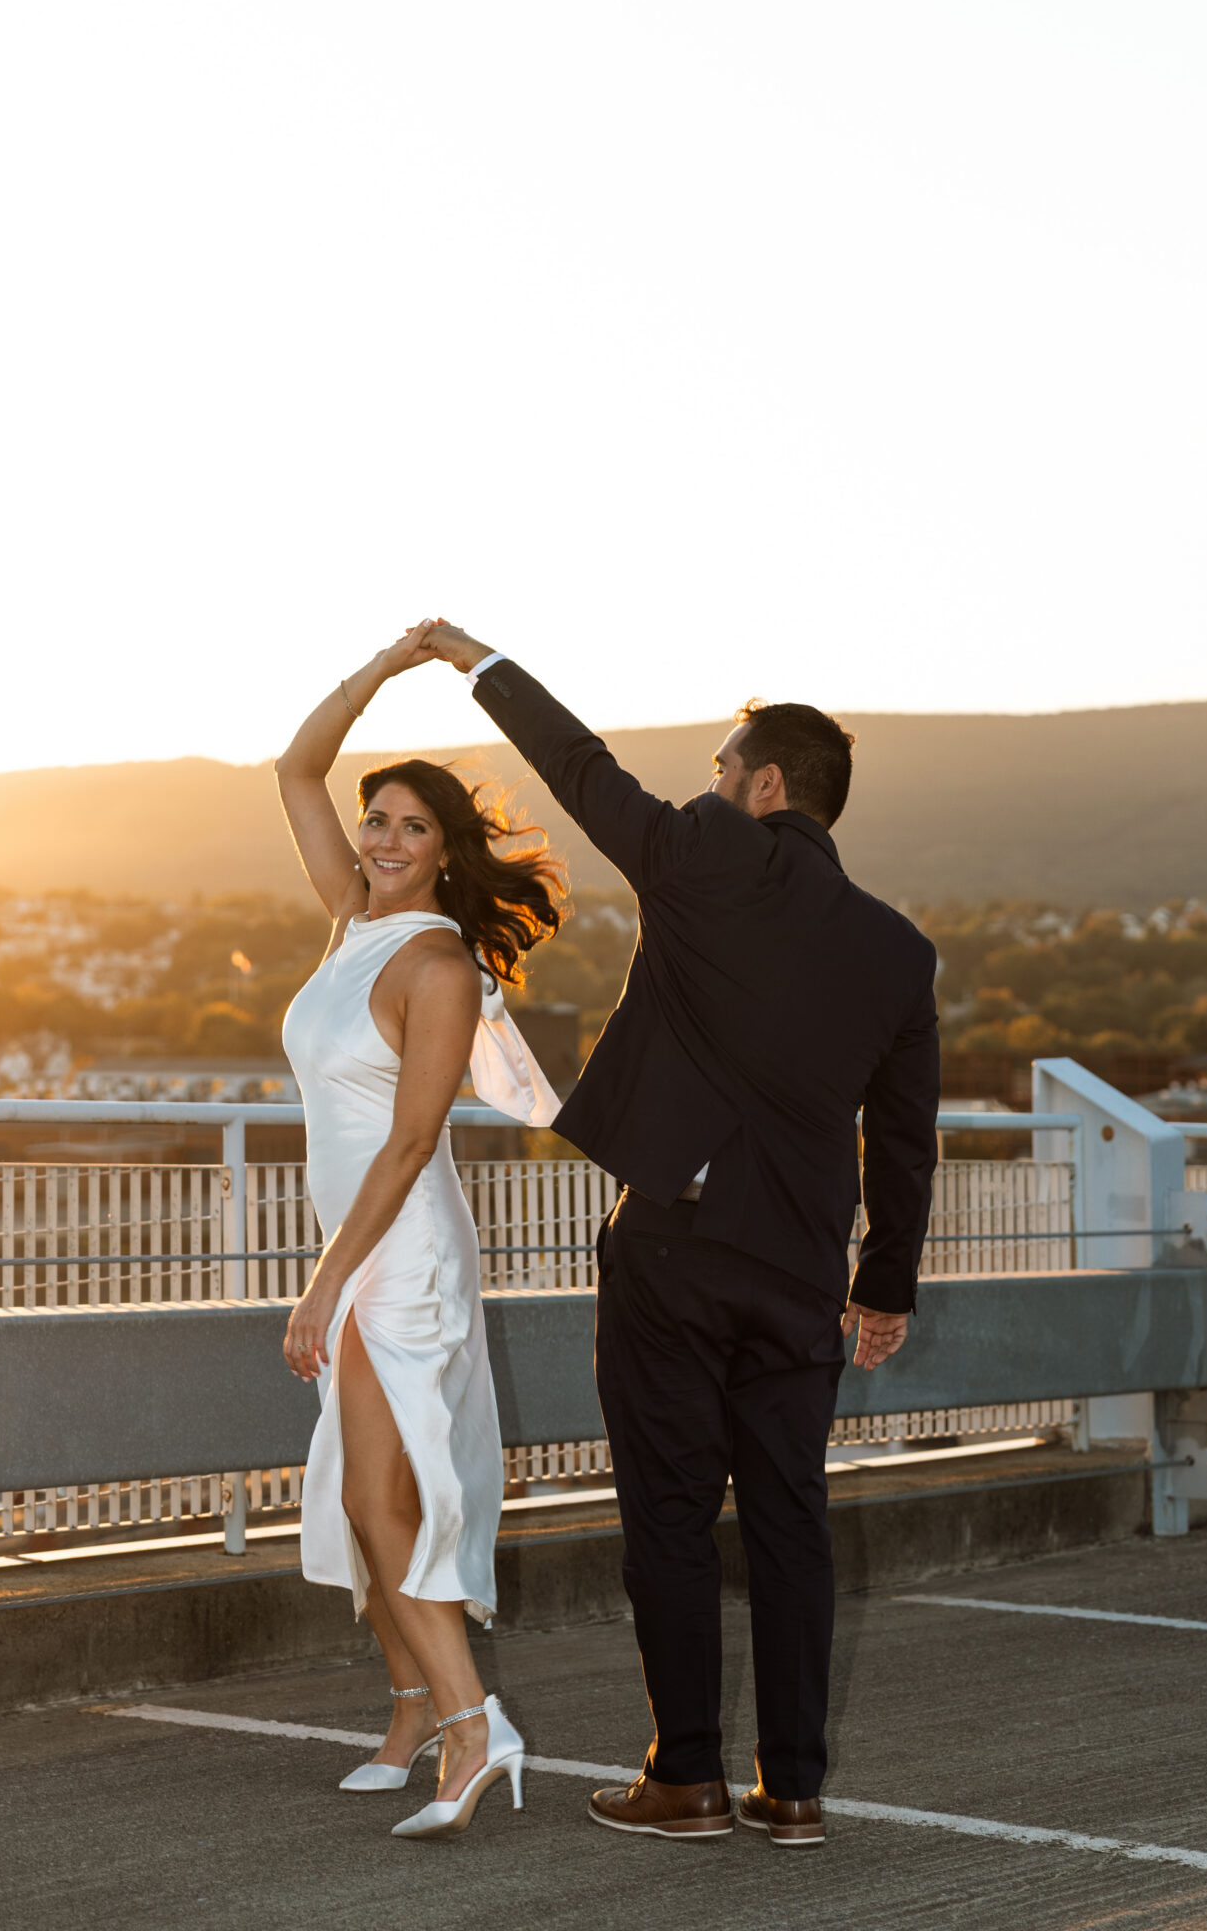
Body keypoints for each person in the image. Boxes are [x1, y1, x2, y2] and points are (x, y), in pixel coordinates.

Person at [418, 623, 940, 1850]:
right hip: (804, 1270)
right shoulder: (897, 949)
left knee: (667, 1511)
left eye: (720, 766)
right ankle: (797, 1789)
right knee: (789, 1521)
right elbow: (903, 1141)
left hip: (677, 1248)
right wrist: (884, 1288)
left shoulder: (712, 852)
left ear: (764, 786)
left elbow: (582, 772)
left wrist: (482, 665)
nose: (705, 784)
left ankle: (689, 1775)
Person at [274, 621, 566, 1841]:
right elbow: (293, 769)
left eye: (410, 827)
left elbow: (405, 1146)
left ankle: (471, 1722)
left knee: (393, 1500)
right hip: (360, 1243)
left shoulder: (438, 963)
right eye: (377, 818)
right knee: (361, 1499)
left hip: (402, 1250)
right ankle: (411, 1710)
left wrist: (319, 1284)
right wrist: (386, 670)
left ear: (447, 855)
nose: (383, 841)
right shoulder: (352, 916)